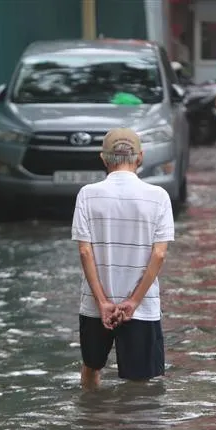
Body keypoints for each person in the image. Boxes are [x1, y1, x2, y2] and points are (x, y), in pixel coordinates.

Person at [71, 127, 175, 390]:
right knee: (140, 384)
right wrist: (133, 302)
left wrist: (103, 302)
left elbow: (85, 252)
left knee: (92, 367)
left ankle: (93, 424)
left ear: (104, 158)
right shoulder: (158, 197)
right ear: (140, 157)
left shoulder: (87, 194)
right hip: (142, 307)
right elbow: (159, 254)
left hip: (95, 306)